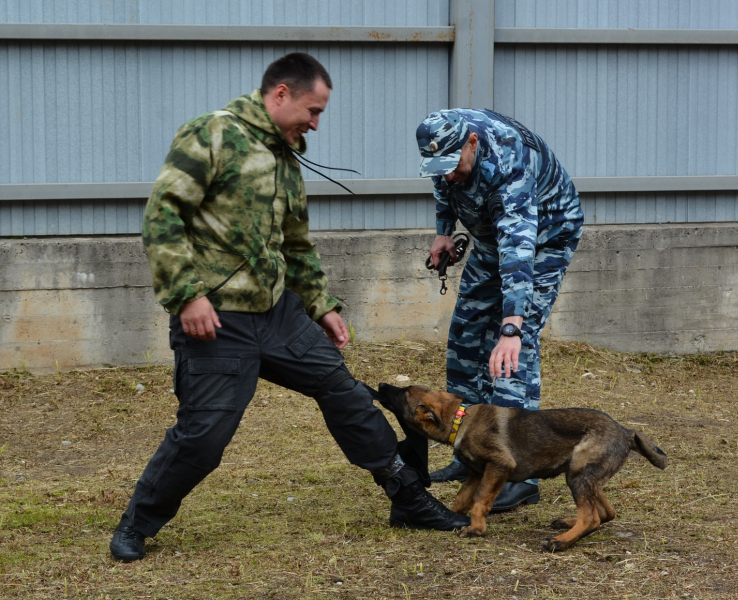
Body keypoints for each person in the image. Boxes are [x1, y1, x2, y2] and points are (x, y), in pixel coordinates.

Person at [109, 53, 469, 563]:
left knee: (348, 398)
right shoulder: (211, 134)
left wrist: (321, 306)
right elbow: (163, 217)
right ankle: (136, 524)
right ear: (280, 93)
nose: (316, 124)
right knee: (204, 436)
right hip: (217, 319)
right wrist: (187, 295)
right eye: (312, 110)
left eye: (320, 114)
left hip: (279, 315)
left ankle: (408, 500)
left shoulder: (286, 153)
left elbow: (295, 242)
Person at [416, 109, 584, 511]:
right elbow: (446, 186)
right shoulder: (447, 149)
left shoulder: (511, 167)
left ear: (472, 143)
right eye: (438, 167)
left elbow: (518, 253)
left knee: (513, 354)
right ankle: (470, 453)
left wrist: (511, 327)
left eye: (454, 164)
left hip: (543, 241)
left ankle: (515, 474)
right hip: (491, 238)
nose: (448, 175)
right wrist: (443, 231)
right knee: (466, 336)